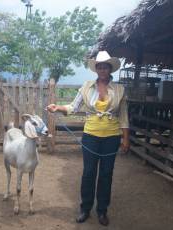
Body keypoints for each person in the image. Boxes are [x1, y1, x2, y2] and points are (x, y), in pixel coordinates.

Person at [46, 51, 130, 226]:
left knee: (106, 174)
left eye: (105, 66)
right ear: (96, 69)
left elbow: (124, 116)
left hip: (112, 137)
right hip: (90, 136)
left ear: (110, 68)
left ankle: (102, 211)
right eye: (99, 66)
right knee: (89, 173)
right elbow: (73, 107)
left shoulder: (120, 90)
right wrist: (57, 107)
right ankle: (85, 208)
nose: (102, 69)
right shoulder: (86, 87)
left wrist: (125, 139)